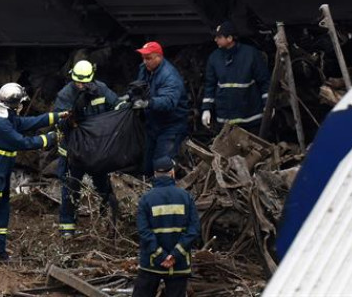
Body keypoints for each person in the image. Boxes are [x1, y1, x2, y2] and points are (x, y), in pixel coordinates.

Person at [0, 82, 67, 264]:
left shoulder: (8, 118)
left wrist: (57, 117)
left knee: (1, 216)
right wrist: (51, 138)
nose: (22, 106)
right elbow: (23, 143)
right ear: (14, 104)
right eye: (20, 103)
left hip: (0, 179)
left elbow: (29, 122)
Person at [53, 60, 120, 238]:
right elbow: (60, 122)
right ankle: (67, 226)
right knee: (70, 187)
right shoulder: (66, 95)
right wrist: (73, 113)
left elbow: (116, 106)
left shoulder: (101, 89)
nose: (81, 85)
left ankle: (110, 220)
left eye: (84, 82)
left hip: (96, 150)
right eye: (78, 82)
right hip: (73, 151)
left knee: (103, 185)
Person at [132, 157, 200, 297]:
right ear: (172, 173)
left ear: (155, 174)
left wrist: (160, 256)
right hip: (179, 265)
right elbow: (194, 230)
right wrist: (175, 255)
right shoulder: (186, 197)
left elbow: (144, 232)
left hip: (151, 265)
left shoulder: (146, 199)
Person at [201, 21, 271, 135]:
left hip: (250, 119)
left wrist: (268, 104)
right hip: (225, 121)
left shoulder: (251, 54)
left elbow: (264, 81)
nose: (215, 40)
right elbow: (210, 85)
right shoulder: (214, 58)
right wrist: (206, 109)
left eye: (219, 37)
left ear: (229, 38)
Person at [132, 42, 189, 174]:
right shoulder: (145, 69)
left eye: (148, 58)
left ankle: (164, 190)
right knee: (147, 164)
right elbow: (139, 87)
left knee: (162, 163)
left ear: (159, 57)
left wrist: (148, 103)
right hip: (153, 124)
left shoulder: (170, 77)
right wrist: (130, 97)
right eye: (143, 57)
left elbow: (169, 101)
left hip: (171, 126)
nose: (145, 61)